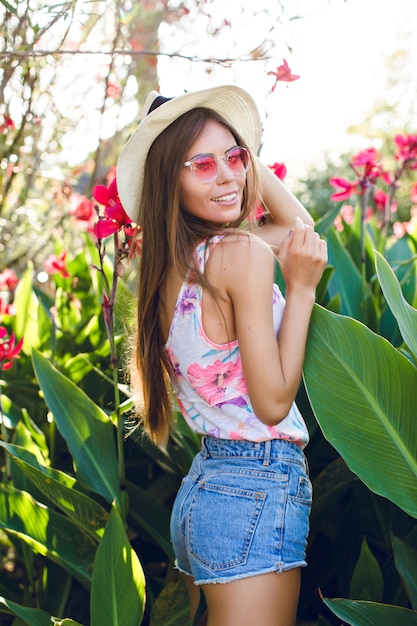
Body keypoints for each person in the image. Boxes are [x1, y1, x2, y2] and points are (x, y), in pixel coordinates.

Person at [116, 85, 327, 626]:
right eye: (202, 165)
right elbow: (274, 402)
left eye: (234, 157)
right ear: (171, 180)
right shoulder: (240, 255)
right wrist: (301, 290)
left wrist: (234, 155)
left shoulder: (173, 270)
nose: (228, 175)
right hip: (254, 492)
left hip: (205, 493)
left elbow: (297, 231)